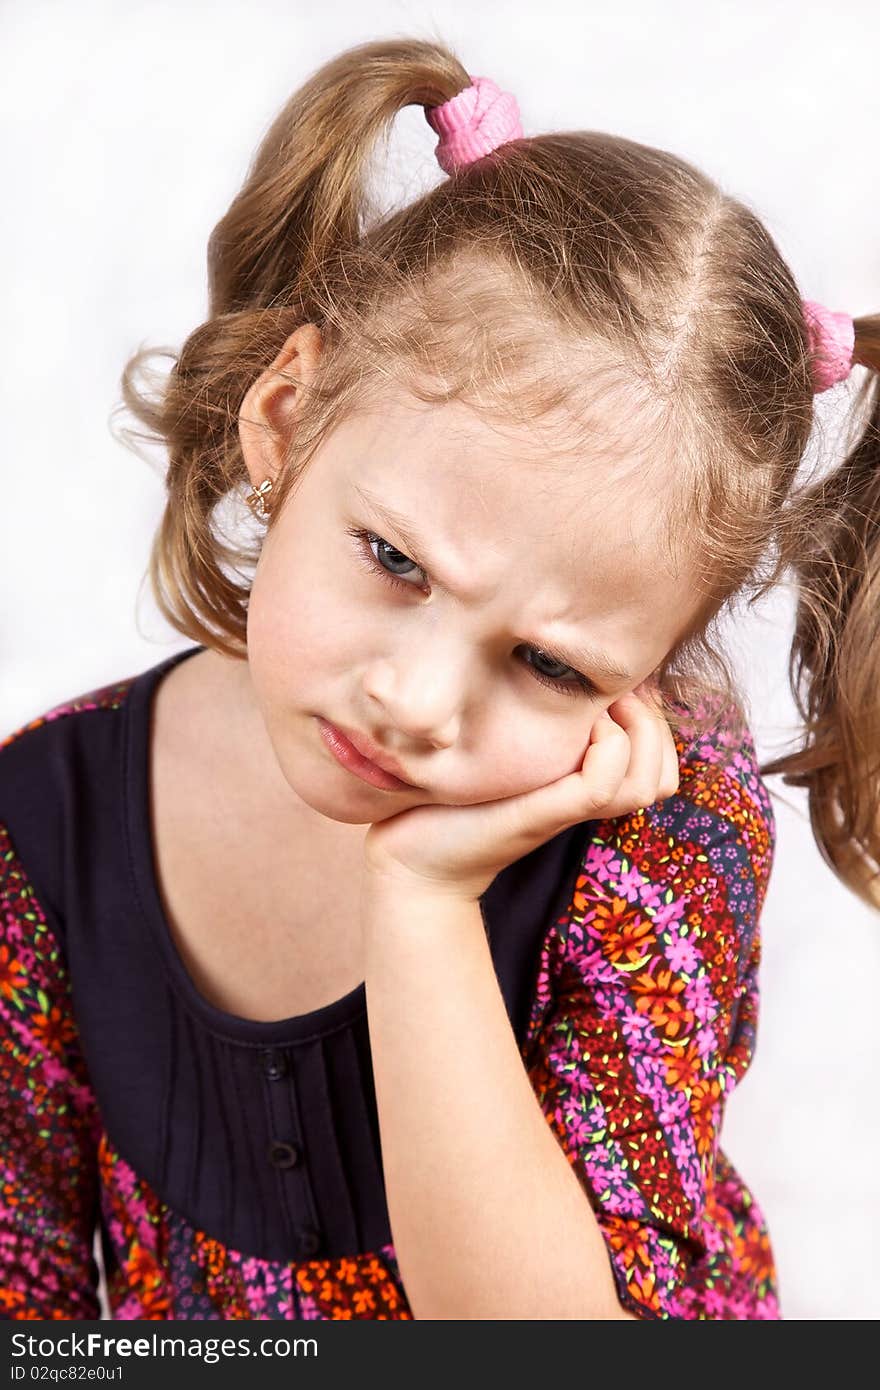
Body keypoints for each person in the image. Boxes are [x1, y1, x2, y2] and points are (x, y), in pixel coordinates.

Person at [1, 36, 877, 1323]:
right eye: (395, 560)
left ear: (648, 676)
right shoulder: (46, 816)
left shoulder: (659, 834)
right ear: (284, 416)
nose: (416, 703)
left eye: (547, 663)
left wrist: (421, 899)